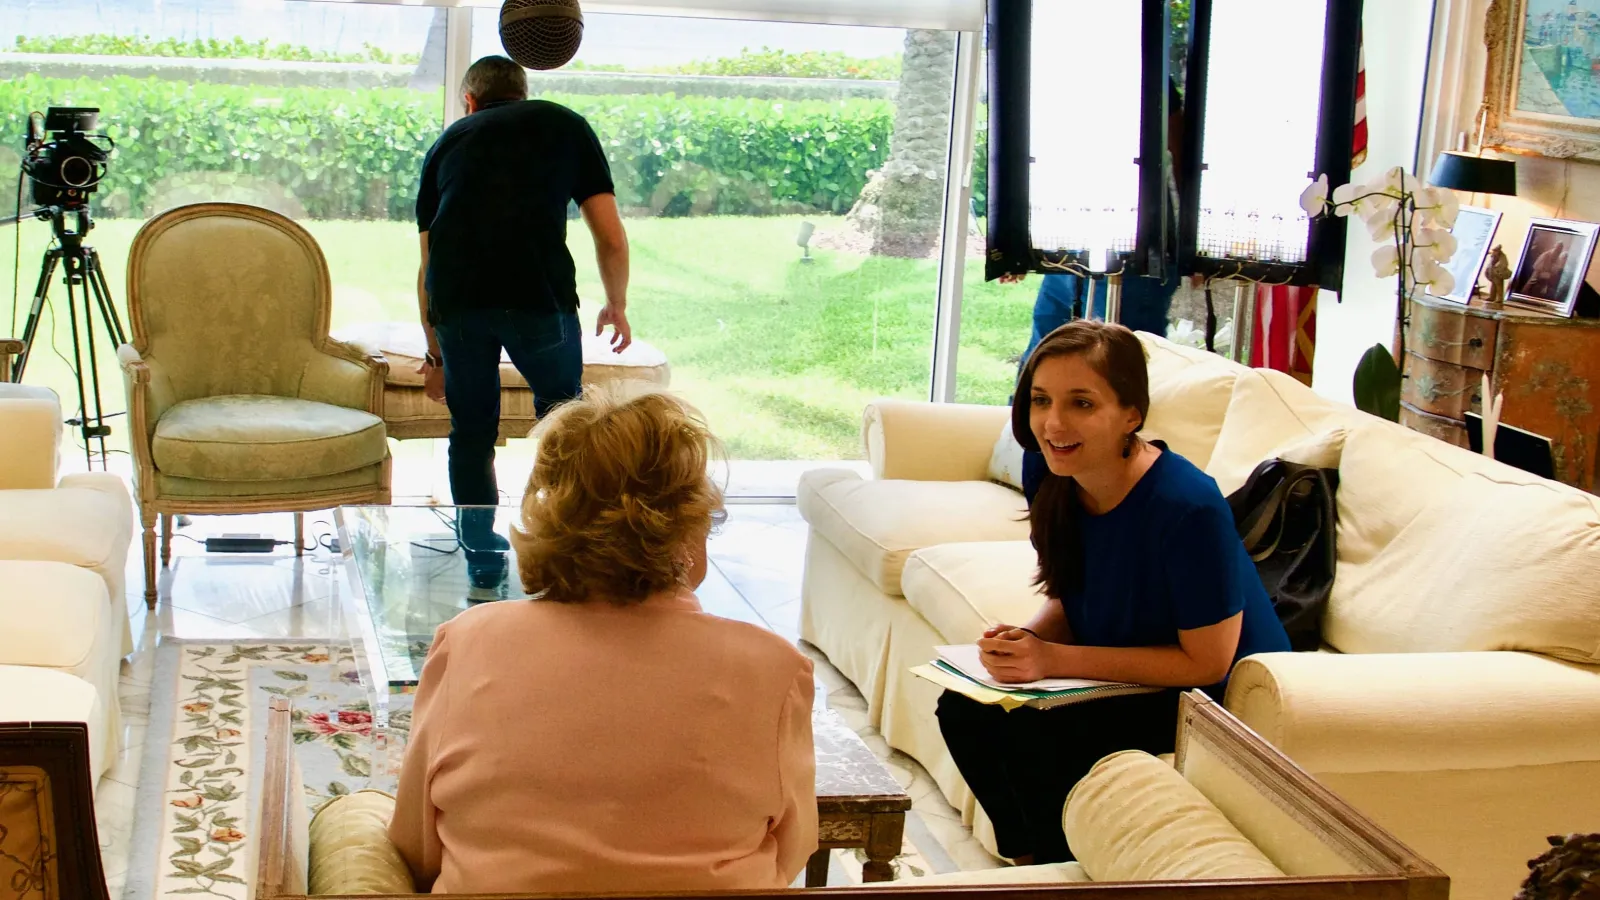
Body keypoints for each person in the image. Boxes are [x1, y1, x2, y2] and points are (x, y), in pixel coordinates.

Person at [388, 388, 818, 893]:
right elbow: (793, 849)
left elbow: (417, 844)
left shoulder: (468, 642)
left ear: (546, 515)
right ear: (692, 526)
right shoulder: (774, 668)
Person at [936, 321, 1291, 865]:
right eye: (1040, 400)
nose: (1054, 423)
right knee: (963, 707)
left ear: (1132, 414)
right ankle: (1034, 863)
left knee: (1039, 736)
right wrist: (1028, 639)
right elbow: (1071, 585)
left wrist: (1051, 660)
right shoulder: (1049, 466)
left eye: (1082, 403)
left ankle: (1061, 868)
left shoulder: (1187, 506)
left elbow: (1207, 663)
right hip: (1120, 665)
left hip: (1212, 697)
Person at [414, 55, 633, 585]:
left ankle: (483, 566)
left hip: (459, 304)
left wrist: (435, 355)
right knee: (566, 423)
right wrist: (616, 303)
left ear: (469, 100)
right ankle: (568, 548)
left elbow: (427, 266)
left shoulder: (446, 145)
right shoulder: (564, 125)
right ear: (524, 90)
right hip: (538, 298)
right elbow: (608, 233)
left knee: (470, 433)